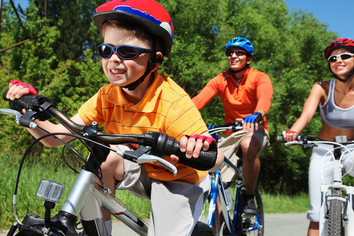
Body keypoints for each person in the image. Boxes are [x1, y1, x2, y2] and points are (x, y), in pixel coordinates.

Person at [6, 0, 224, 235]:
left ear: (155, 60)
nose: (114, 59)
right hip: (142, 167)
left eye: (128, 52)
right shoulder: (105, 97)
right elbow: (56, 136)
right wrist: (27, 111)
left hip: (179, 178)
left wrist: (196, 146)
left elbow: (217, 159)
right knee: (104, 159)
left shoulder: (172, 101)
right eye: (106, 50)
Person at [282, 37, 354, 236]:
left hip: (352, 149)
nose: (338, 60)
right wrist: (294, 132)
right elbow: (306, 115)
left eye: (345, 56)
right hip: (324, 150)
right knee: (316, 214)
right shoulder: (321, 87)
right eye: (333, 58)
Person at [192, 37, 273, 213]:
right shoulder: (220, 80)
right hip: (229, 133)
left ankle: (249, 197)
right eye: (230, 53)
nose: (233, 56)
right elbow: (198, 101)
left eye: (239, 53)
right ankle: (220, 223)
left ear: (248, 59)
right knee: (216, 175)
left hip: (255, 129)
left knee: (247, 146)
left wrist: (258, 114)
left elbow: (265, 98)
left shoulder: (259, 77)